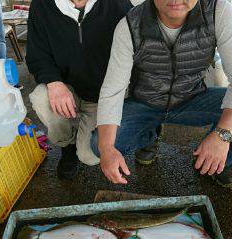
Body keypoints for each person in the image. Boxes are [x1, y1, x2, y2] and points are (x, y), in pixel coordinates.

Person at [92, 0, 232, 188]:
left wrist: (222, 135)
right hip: (145, 103)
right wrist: (107, 148)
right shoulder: (130, 25)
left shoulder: (218, 12)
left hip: (192, 98)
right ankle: (149, 136)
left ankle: (216, 162)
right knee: (98, 144)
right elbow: (112, 92)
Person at [26, 0, 146, 180]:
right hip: (66, 88)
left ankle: (143, 134)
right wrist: (54, 82)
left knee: (90, 155)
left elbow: (137, 52)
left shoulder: (119, 4)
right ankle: (67, 146)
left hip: (101, 95)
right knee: (41, 96)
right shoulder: (41, 5)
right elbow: (37, 54)